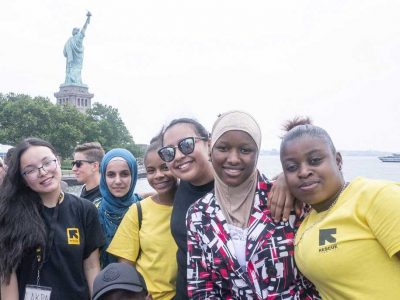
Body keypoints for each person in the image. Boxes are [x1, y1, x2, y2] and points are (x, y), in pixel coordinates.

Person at [158, 117, 298, 299]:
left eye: (186, 145)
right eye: (169, 152)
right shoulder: (193, 206)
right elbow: (202, 284)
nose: (178, 156)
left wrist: (290, 178)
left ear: (208, 144)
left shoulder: (278, 198)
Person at [185, 111, 318, 299]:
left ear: (257, 153)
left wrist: (289, 179)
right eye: (223, 148)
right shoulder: (198, 215)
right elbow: (201, 286)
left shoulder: (286, 197)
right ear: (210, 149)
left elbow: (319, 272)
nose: (233, 158)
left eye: (245, 150)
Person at [279, 117, 400, 299]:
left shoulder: (374, 196)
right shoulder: (307, 220)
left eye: (315, 160)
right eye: (292, 167)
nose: (303, 171)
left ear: (338, 160)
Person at [0, 138, 104, 300]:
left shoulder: (85, 210)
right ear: (23, 179)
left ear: (58, 161)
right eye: (30, 170)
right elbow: (7, 274)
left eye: (47, 162)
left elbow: (91, 267)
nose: (42, 172)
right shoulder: (11, 214)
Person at [108, 134, 178, 300]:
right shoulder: (138, 211)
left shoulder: (195, 207)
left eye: (165, 167)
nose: (158, 175)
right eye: (151, 171)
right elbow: (125, 265)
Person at [95, 148, 142, 268]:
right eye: (111, 175)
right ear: (103, 178)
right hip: (104, 283)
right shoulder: (93, 211)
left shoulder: (144, 208)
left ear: (133, 175)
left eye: (124, 174)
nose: (118, 181)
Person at [64, 11, 91, 85]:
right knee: (75, 70)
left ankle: (75, 81)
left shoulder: (78, 37)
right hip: (75, 60)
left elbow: (84, 28)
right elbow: (64, 52)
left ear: (76, 31)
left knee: (75, 70)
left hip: (74, 59)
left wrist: (87, 19)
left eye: (74, 30)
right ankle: (74, 81)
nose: (72, 31)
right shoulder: (70, 40)